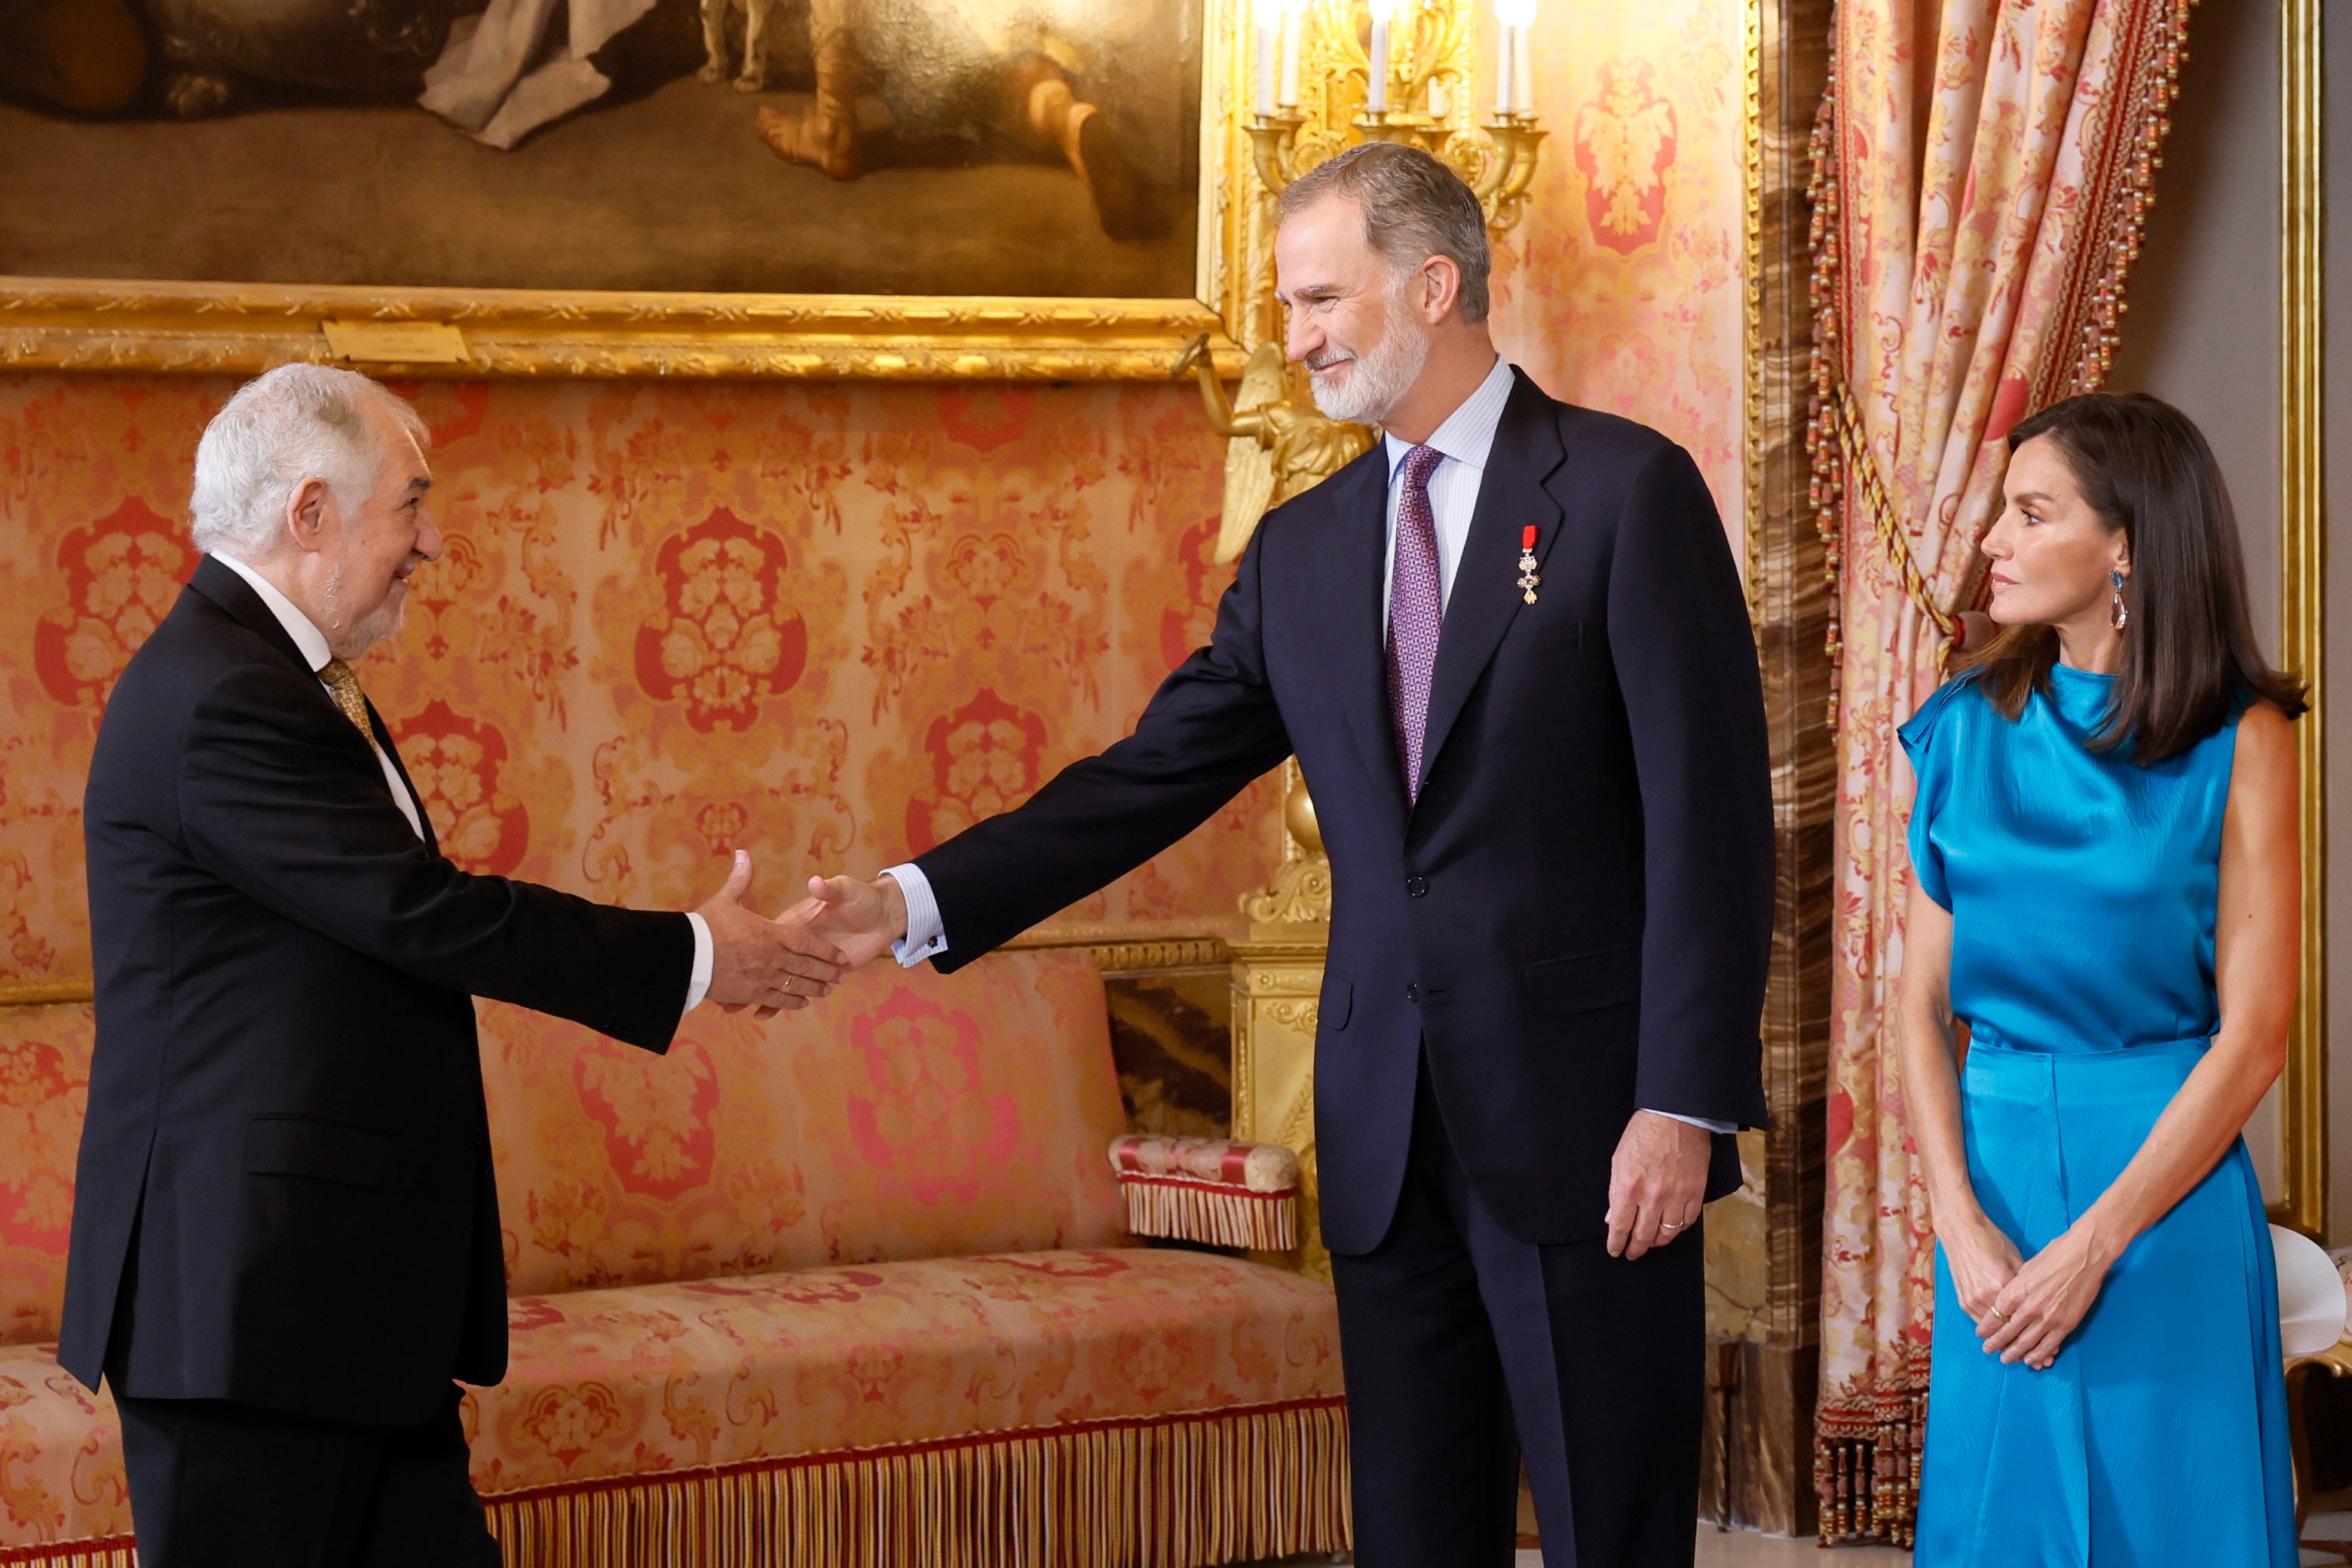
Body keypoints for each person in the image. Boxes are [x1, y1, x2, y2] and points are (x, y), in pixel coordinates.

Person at [801, 142, 1772, 1566]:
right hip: (1383, 1132)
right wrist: (914, 899)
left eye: (1321, 299)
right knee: (1411, 1538)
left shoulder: (1626, 492)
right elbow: (1150, 777)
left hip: (1590, 1130)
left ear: (1431, 286)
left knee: (1608, 1534)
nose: (1297, 337)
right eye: (1288, 305)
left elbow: (1711, 824)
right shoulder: (1303, 547)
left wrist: (1680, 1103)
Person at [62, 364, 847, 1568]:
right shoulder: (224, 694)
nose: (430, 542)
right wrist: (698, 953)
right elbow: (421, 913)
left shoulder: (271, 675)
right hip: (248, 1306)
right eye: (411, 504)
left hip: (332, 1303)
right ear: (311, 512)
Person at [1897, 393, 2303, 1565]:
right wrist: (1957, 1219)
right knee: (2004, 1528)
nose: (1992, 541)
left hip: (2164, 1192)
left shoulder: (2242, 740)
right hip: (1996, 1193)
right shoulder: (1959, 726)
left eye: (2033, 514)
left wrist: (2096, 1247)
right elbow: (1917, 1006)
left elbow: (2256, 1037)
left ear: (2126, 544)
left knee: (2175, 1525)